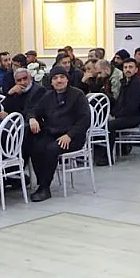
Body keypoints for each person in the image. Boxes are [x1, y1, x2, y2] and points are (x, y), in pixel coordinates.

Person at [25, 67, 90, 202]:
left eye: (62, 77)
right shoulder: (48, 96)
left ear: (67, 79)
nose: (59, 81)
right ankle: (42, 181)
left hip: (73, 137)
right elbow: (34, 110)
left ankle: (45, 188)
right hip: (53, 133)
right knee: (36, 146)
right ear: (51, 82)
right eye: (55, 78)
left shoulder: (78, 95)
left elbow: (85, 120)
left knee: (52, 149)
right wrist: (32, 118)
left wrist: (70, 135)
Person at [109, 58, 140, 139]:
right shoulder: (124, 83)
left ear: (136, 70)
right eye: (125, 67)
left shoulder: (137, 84)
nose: (127, 70)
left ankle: (110, 147)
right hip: (125, 116)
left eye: (130, 67)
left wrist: (117, 116)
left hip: (133, 117)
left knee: (109, 125)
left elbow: (132, 106)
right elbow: (120, 102)